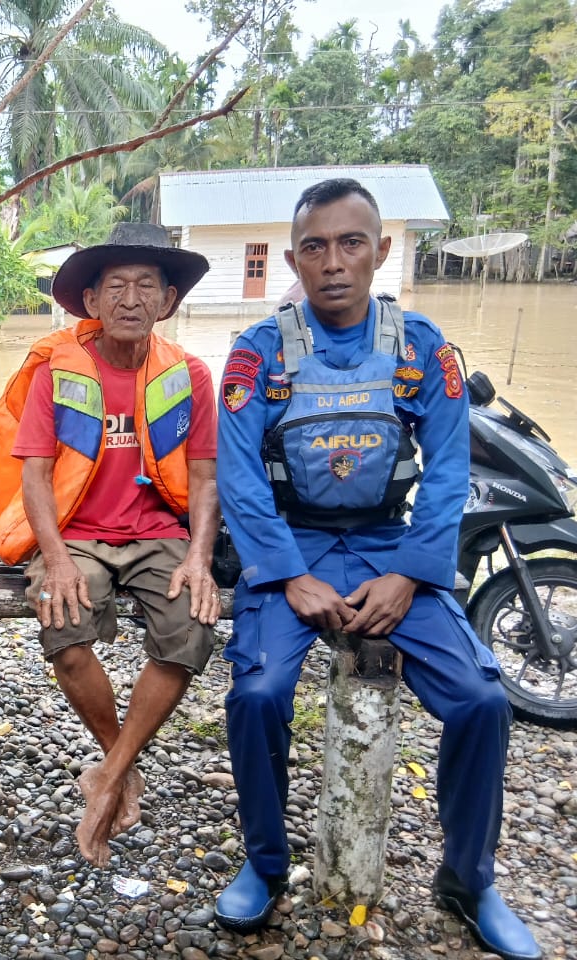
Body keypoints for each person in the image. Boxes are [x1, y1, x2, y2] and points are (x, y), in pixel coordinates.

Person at [214, 178, 540, 960]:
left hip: (393, 546)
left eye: (351, 243)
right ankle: (266, 863)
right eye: (316, 247)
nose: (334, 262)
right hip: (294, 546)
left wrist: (412, 575)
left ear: (381, 251)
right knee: (256, 693)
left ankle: (469, 878)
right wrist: (289, 575)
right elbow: (239, 478)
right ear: (294, 258)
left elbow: (451, 471)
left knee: (480, 699)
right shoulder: (259, 354)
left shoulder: (422, 347)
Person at [0, 224, 221, 868]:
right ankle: (123, 763)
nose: (130, 298)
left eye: (147, 285)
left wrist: (199, 555)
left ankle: (110, 773)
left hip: (157, 533)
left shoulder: (191, 374)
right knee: (64, 623)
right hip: (77, 534)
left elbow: (204, 476)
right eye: (115, 285)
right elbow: (32, 473)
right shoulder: (57, 372)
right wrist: (54, 557)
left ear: (168, 301)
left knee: (193, 625)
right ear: (91, 301)